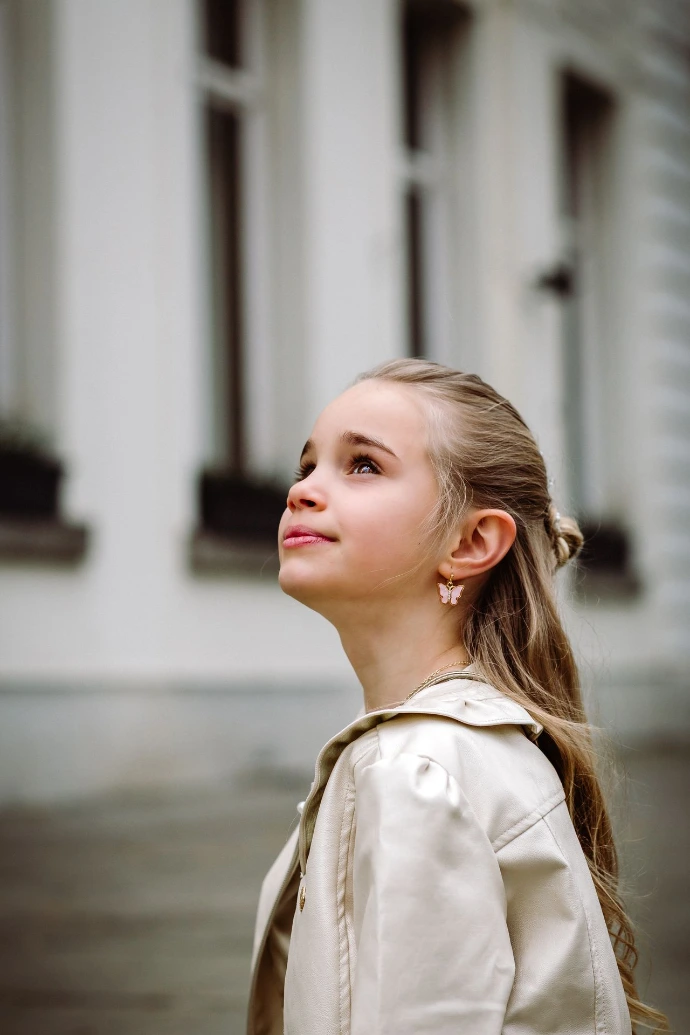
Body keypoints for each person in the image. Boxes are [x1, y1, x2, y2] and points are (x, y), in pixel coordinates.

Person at [246, 358, 668, 1035]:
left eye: (362, 466)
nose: (304, 491)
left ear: (472, 541)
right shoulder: (462, 741)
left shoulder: (416, 769)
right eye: (307, 467)